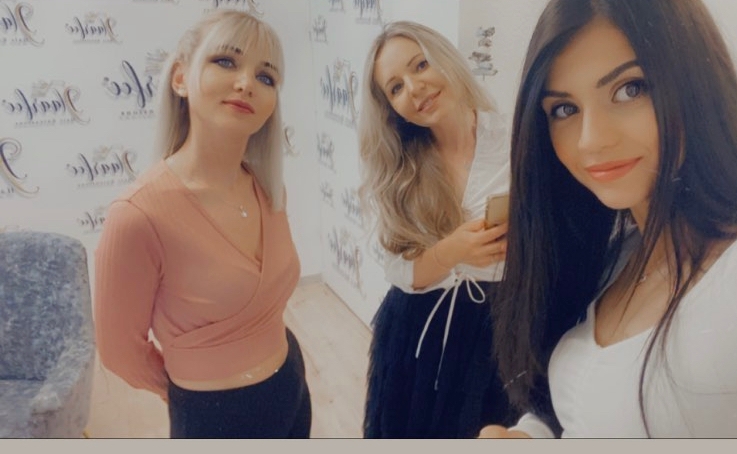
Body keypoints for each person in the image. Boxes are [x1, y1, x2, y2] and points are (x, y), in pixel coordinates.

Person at [479, 0, 737, 438]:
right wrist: (530, 435)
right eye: (565, 110)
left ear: (697, 86)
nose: (591, 141)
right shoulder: (615, 257)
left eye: (630, 89)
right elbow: (587, 406)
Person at [93, 10, 311, 438]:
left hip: (290, 384)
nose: (246, 83)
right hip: (213, 416)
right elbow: (119, 353)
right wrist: (190, 395)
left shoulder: (268, 190)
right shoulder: (138, 215)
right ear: (180, 78)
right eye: (225, 61)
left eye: (266, 77)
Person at [358, 21, 518, 438]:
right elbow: (399, 272)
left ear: (445, 58)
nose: (415, 89)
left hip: (499, 330)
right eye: (395, 87)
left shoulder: (515, 140)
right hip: (418, 331)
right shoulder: (400, 166)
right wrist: (453, 251)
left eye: (421, 65)